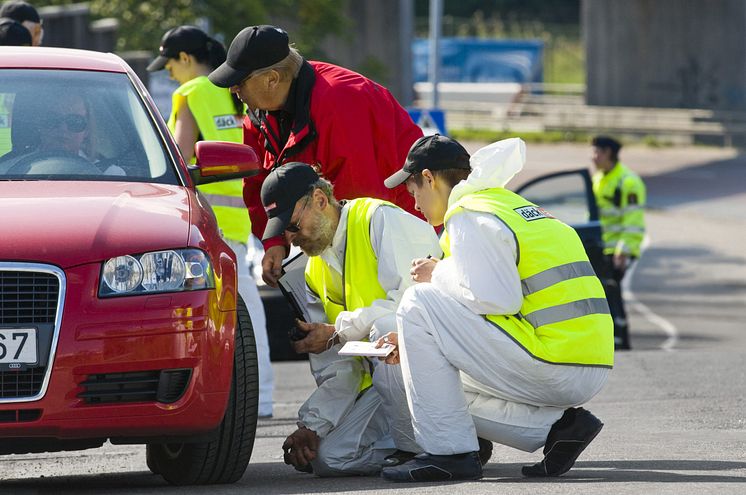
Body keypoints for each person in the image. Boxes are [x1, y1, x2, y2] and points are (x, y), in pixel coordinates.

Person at [376, 135, 613, 482]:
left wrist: (436, 272)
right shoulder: (509, 206)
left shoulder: (470, 214)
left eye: (414, 192)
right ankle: (558, 430)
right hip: (586, 359)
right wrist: (417, 343)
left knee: (417, 301)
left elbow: (496, 299)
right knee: (431, 374)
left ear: (429, 178)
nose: (415, 205)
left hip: (554, 359)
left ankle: (450, 454)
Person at [259, 162, 440, 476]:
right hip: (388, 387)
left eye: (292, 225)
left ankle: (441, 444)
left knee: (386, 331)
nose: (290, 238)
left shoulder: (379, 220)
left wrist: (337, 331)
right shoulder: (313, 270)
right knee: (329, 459)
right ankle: (429, 442)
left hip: (438, 374)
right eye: (283, 232)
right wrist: (313, 425)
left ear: (319, 200)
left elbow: (417, 309)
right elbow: (339, 369)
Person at [207, 25, 424, 287]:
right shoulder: (258, 115)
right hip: (339, 227)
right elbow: (261, 185)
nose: (232, 90)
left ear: (272, 79)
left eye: (239, 82)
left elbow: (362, 201)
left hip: (401, 231)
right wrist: (275, 241)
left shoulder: (340, 101)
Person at [147, 25, 275, 417]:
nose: (169, 74)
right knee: (250, 313)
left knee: (202, 315)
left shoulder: (191, 93)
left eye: (170, 65)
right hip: (242, 217)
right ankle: (264, 397)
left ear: (185, 59)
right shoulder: (236, 88)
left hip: (204, 223)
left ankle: (229, 400)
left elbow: (178, 159)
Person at [591, 136, 646, 350]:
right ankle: (618, 340)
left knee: (612, 294)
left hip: (617, 251)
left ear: (608, 154)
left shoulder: (628, 182)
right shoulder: (599, 179)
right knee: (610, 294)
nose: (592, 157)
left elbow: (633, 221)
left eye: (596, 152)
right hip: (602, 247)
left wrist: (623, 251)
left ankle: (621, 341)